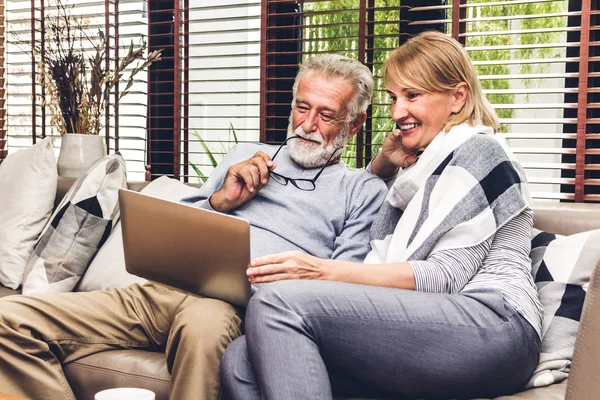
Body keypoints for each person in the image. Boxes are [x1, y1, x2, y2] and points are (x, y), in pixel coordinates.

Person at [0, 54, 388, 400]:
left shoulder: (361, 190)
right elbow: (178, 224)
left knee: (202, 331)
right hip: (163, 291)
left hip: (235, 308)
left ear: (354, 125)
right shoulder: (243, 157)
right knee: (9, 321)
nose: (308, 124)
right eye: (302, 107)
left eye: (326, 114)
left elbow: (338, 290)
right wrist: (222, 200)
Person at [220, 31, 543, 400]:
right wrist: (385, 166)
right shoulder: (425, 166)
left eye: (413, 95)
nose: (396, 111)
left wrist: (319, 270)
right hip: (441, 323)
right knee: (240, 359)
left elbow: (444, 276)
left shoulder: (481, 151)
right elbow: (385, 217)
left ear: (458, 97)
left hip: (494, 325)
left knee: (277, 302)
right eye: (394, 97)